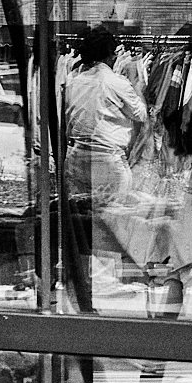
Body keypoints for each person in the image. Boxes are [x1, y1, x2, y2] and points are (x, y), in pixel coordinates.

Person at [63, 24, 148, 300]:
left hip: (75, 156)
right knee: (112, 219)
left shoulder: (74, 80)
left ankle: (83, 277)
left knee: (81, 220)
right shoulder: (116, 82)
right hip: (107, 159)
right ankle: (106, 281)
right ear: (111, 55)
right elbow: (140, 114)